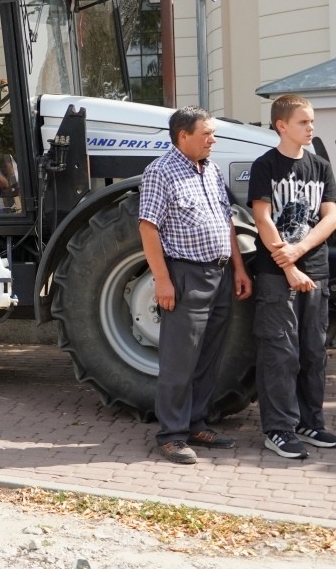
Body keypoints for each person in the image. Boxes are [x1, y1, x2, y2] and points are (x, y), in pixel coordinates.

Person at [138, 106, 252, 465]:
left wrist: (238, 269)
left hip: (219, 275)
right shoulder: (160, 172)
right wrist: (162, 281)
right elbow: (148, 228)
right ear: (182, 135)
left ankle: (196, 424)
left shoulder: (211, 170)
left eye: (213, 133)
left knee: (207, 358)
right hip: (186, 275)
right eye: (206, 134)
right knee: (179, 360)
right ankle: (171, 435)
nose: (213, 140)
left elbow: (226, 222)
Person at [247, 94, 336, 459]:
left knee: (313, 351)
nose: (311, 127)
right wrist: (288, 266)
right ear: (281, 125)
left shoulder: (320, 166)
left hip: (314, 270)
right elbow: (263, 219)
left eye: (312, 121)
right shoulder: (265, 166)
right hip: (276, 273)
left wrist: (300, 253)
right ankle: (279, 429)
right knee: (280, 351)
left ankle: (310, 422)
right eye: (303, 122)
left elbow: (330, 218)